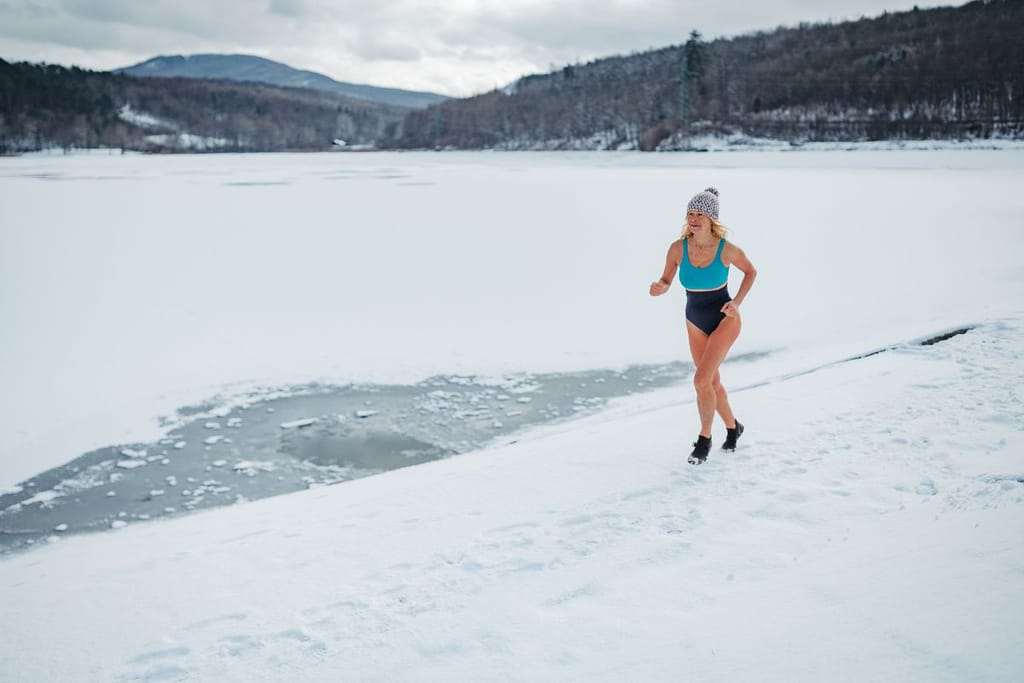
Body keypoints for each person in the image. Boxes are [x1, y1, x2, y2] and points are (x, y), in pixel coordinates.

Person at [649, 187, 757, 464]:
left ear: (711, 219)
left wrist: (737, 303)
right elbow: (666, 279)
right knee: (712, 382)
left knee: (701, 380)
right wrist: (660, 287)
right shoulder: (678, 248)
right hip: (694, 320)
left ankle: (704, 439)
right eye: (690, 214)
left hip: (725, 319)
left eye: (700, 214)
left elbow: (750, 271)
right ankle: (733, 428)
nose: (694, 219)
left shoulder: (726, 249)